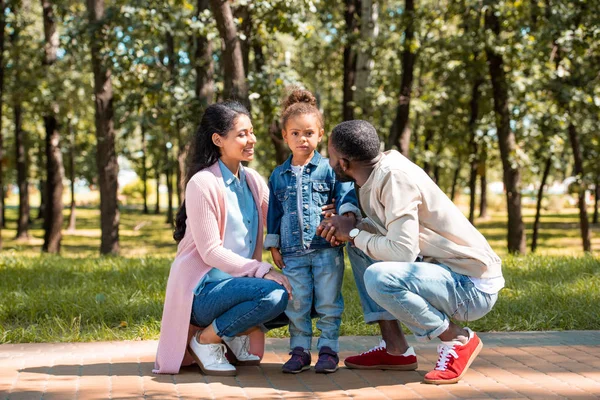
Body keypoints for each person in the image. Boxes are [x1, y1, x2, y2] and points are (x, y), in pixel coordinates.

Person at [318, 120, 504, 385]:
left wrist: (356, 232)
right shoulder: (374, 173)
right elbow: (386, 231)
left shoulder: (395, 178)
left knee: (378, 276)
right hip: (444, 273)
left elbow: (403, 251)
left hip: (471, 287)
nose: (328, 161)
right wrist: (353, 226)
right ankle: (396, 349)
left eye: (331, 155)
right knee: (359, 249)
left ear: (345, 163)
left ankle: (458, 339)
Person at [153, 102, 292, 376]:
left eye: (251, 132)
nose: (251, 139)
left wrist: (327, 217)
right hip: (204, 292)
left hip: (240, 287)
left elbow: (282, 219)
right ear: (218, 140)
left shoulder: (252, 180)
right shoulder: (203, 183)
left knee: (310, 295)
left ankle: (231, 331)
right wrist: (263, 271)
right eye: (242, 134)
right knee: (274, 294)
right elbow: (211, 252)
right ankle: (205, 339)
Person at [264, 89, 360, 374]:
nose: (302, 139)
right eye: (295, 133)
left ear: (320, 135)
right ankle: (299, 351)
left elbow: (345, 197)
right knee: (298, 304)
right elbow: (275, 213)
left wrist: (343, 217)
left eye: (308, 133)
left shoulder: (330, 170)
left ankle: (329, 350)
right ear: (285, 136)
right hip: (292, 254)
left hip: (325, 249)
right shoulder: (277, 175)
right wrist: (274, 245)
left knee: (329, 302)